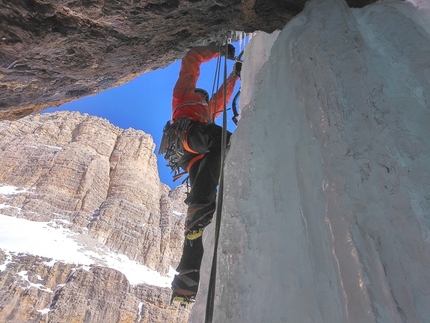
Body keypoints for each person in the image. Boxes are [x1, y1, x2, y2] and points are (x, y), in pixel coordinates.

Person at [158, 43, 241, 305]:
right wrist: (218, 50)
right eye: (202, 95)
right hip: (187, 136)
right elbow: (191, 60)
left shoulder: (207, 109)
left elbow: (222, 97)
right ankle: (200, 209)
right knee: (222, 139)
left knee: (204, 207)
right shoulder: (183, 96)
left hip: (193, 157)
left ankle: (187, 279)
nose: (205, 98)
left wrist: (235, 74)